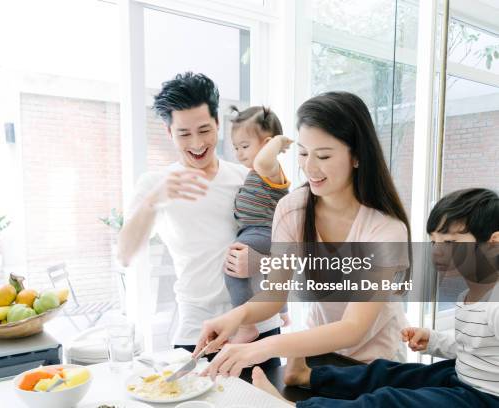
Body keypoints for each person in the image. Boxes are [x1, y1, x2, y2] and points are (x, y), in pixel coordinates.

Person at [194, 91, 411, 382]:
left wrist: (264, 347)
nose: (309, 167)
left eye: (323, 155)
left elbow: (354, 327)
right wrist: (234, 317)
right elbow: (273, 295)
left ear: (358, 156)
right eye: (304, 153)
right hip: (319, 358)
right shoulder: (291, 209)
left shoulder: (385, 230)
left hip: (377, 364)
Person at [250, 187, 499, 407]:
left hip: (484, 397)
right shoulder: (470, 294)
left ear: (493, 242)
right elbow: (475, 351)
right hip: (459, 375)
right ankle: (307, 376)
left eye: (450, 242)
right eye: (434, 242)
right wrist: (434, 340)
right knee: (390, 374)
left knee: (391, 401)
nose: (438, 252)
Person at [117, 72, 281, 370]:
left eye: (204, 130)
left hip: (258, 322)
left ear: (218, 124)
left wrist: (260, 263)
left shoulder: (247, 177)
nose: (196, 143)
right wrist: (155, 200)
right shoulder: (154, 184)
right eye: (184, 134)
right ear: (169, 133)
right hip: (199, 328)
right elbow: (125, 254)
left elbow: (287, 244)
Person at [225, 105, 293, 344]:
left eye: (245, 146)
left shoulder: (269, 170)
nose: (239, 154)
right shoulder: (257, 172)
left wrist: (278, 142)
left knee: (232, 269)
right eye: (236, 148)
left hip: (262, 231)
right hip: (261, 233)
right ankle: (283, 311)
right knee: (271, 275)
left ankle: (245, 326)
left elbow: (265, 160)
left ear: (266, 145)